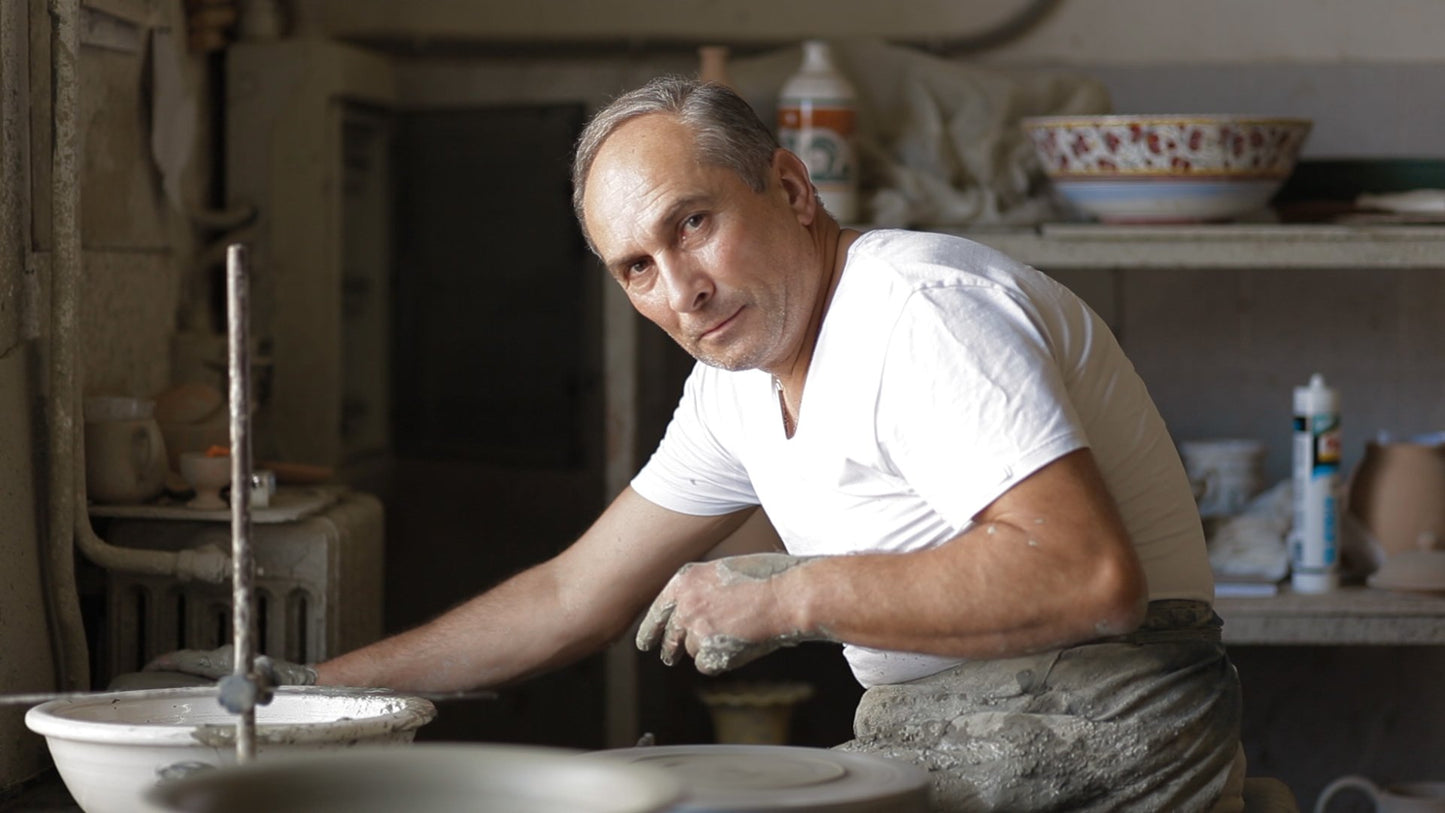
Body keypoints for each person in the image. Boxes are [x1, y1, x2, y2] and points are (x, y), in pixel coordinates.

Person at [149, 76, 1244, 812]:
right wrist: (309, 691)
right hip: (939, 740)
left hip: (1111, 741)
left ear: (790, 188)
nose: (680, 290)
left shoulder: (916, 310)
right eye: (637, 267)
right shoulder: (736, 382)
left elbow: (1087, 577)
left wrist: (791, 596)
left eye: (692, 223)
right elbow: (570, 594)